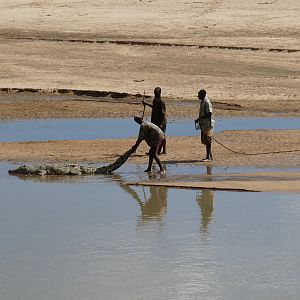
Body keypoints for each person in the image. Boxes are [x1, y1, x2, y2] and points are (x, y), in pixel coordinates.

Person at [142, 87, 167, 154]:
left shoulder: (161, 102)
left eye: (156, 93)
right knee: (156, 136)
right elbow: (154, 107)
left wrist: (161, 123)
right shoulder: (155, 100)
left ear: (159, 93)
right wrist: (146, 103)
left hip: (161, 122)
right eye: (155, 92)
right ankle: (156, 150)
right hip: (155, 121)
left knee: (162, 136)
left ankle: (163, 150)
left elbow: (163, 113)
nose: (155, 94)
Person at [195, 89, 215, 161]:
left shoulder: (207, 102)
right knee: (206, 140)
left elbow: (209, 113)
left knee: (208, 140)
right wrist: (199, 119)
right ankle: (210, 156)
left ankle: (208, 157)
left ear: (203, 95)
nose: (198, 97)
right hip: (203, 124)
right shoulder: (202, 102)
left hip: (207, 124)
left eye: (199, 95)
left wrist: (201, 118)